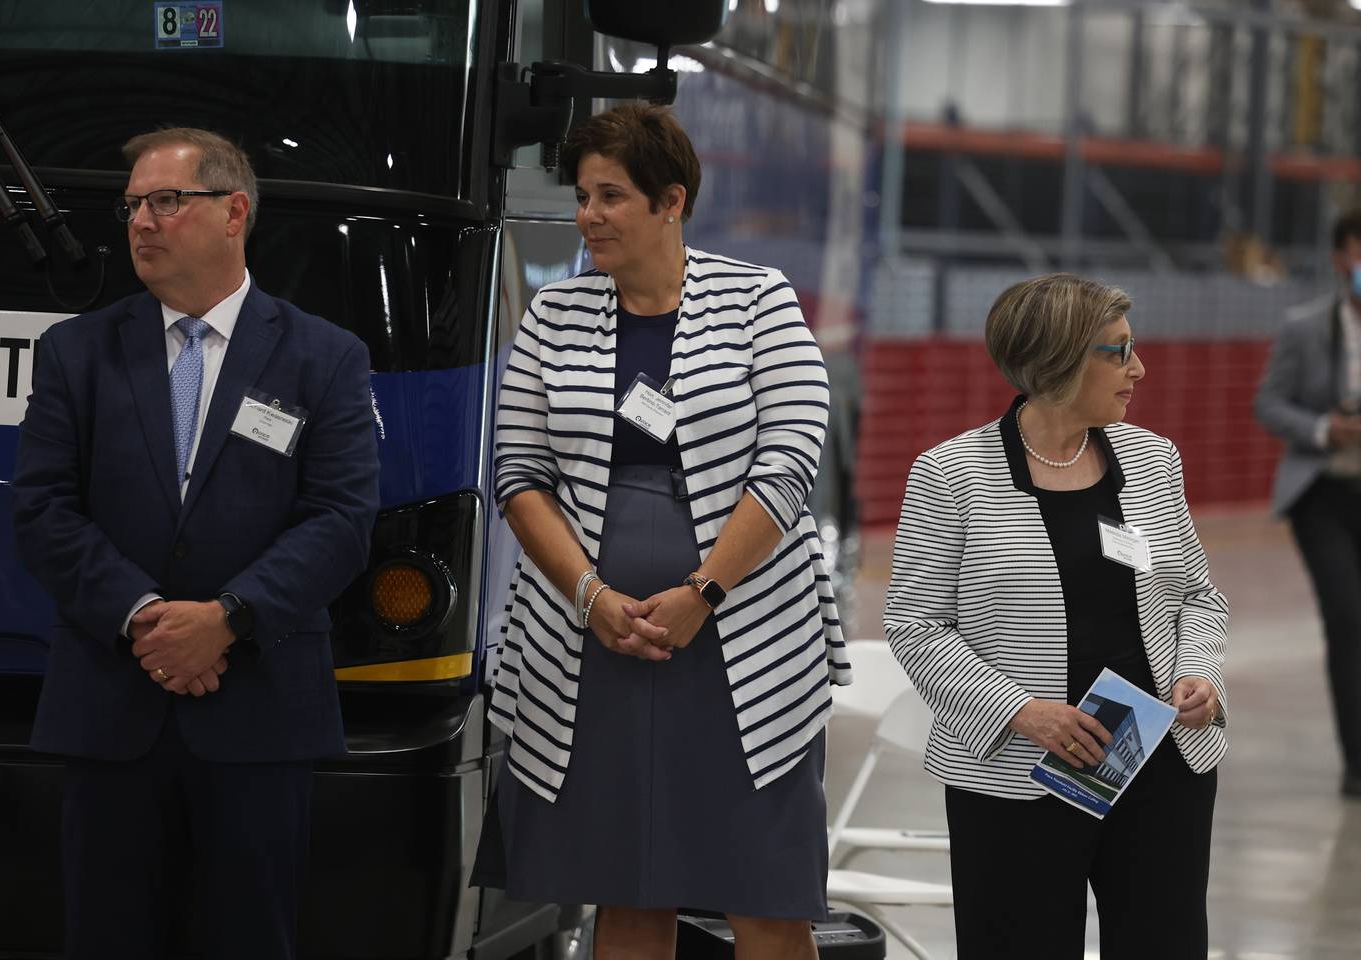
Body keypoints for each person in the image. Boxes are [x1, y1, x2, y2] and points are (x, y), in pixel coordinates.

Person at [476, 102, 850, 960]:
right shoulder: (553, 315)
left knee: (766, 896)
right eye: (581, 196)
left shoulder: (758, 300)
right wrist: (592, 596)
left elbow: (791, 461)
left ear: (670, 201)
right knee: (626, 892)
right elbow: (519, 475)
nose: (588, 217)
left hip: (742, 643)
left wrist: (702, 592)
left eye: (611, 196)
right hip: (591, 647)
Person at [11, 127, 379, 959]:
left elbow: (341, 518)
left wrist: (228, 618)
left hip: (259, 714)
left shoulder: (324, 357)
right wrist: (145, 616)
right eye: (134, 204)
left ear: (233, 212)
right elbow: (42, 511)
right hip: (110, 709)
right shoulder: (76, 352)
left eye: (166, 201)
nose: (141, 221)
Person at [885, 274, 1227, 959]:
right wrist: (1021, 711)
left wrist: (1200, 673)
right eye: (1118, 351)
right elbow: (916, 624)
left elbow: (1198, 596)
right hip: (1020, 769)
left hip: (1158, 763)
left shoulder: (1154, 459)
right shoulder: (950, 474)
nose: (1139, 368)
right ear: (1062, 361)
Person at [1255, 208, 1361, 799]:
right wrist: (1323, 428)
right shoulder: (1304, 326)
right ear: (1340, 258)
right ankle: (1357, 760)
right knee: (1347, 620)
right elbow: (1268, 403)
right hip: (1321, 492)